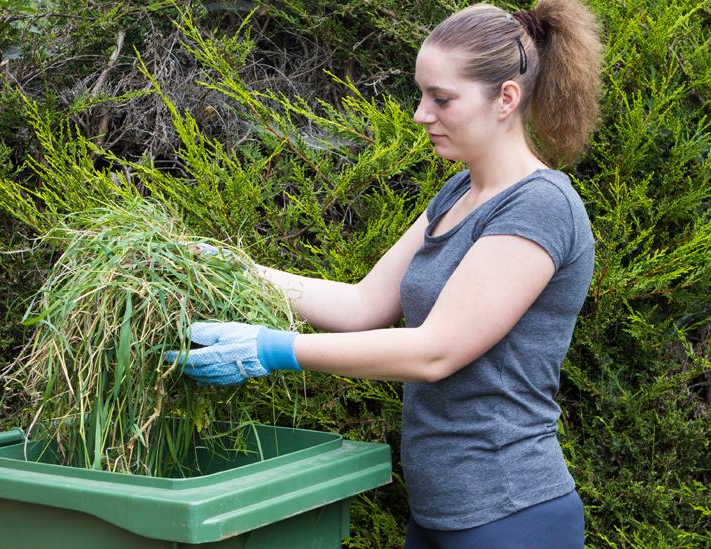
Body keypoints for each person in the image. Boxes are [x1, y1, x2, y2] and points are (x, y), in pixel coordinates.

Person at [167, 1, 603, 546]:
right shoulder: (458, 195)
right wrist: (233, 269)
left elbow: (435, 352)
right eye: (422, 94)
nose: (421, 113)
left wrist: (272, 349)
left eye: (441, 98)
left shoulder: (540, 207)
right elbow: (362, 305)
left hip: (512, 514)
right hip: (440, 512)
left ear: (505, 100)